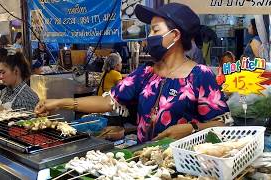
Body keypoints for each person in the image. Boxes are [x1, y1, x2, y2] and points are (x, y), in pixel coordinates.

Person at [35, 3, 231, 143]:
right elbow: (108, 102)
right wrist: (60, 103)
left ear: (175, 35)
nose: (149, 37)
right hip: (143, 164)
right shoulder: (145, 73)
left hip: (183, 167)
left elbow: (221, 125)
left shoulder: (200, 76)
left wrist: (190, 129)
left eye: (155, 30)